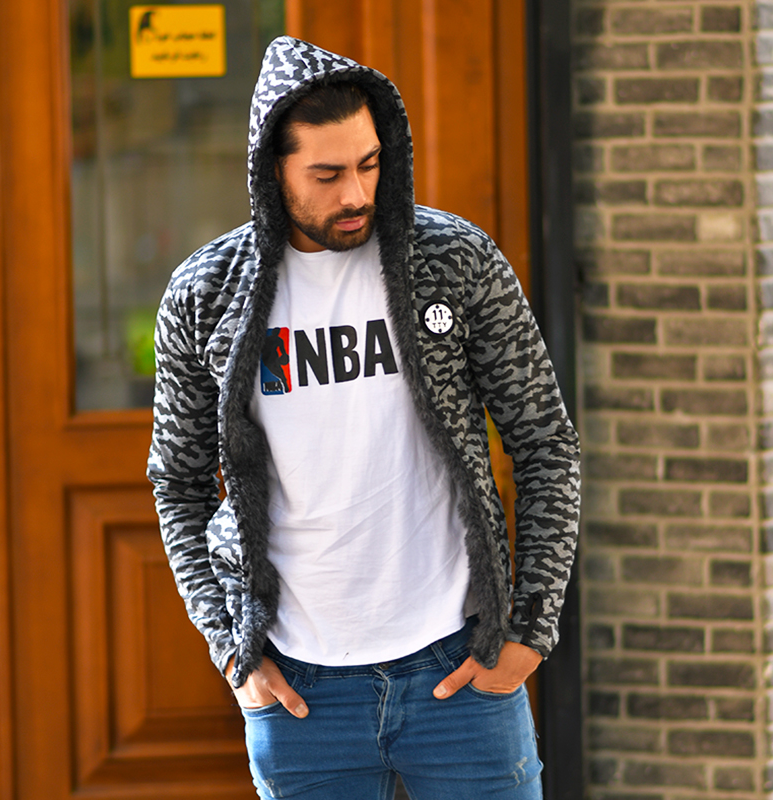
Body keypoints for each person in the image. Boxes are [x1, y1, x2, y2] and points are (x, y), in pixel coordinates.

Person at [148, 36, 580, 800]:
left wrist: (529, 632)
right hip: (303, 695)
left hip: (461, 670)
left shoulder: (454, 261)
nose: (356, 193)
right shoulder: (206, 294)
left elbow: (546, 442)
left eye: (370, 164)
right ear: (270, 171)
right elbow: (178, 483)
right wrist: (232, 650)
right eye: (327, 174)